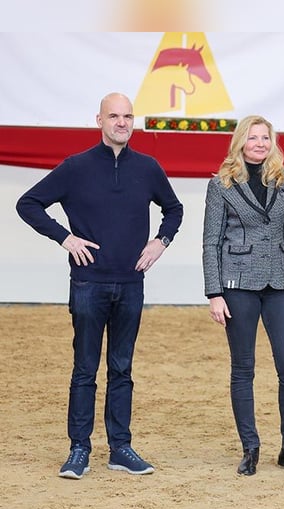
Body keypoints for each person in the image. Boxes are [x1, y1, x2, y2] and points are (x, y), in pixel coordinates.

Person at [16, 92, 183, 480]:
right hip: (88, 284)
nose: (121, 122)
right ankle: (79, 450)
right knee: (85, 370)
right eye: (114, 116)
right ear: (99, 120)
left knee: (122, 369)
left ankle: (120, 448)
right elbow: (28, 203)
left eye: (127, 116)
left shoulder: (148, 167)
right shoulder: (75, 168)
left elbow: (174, 209)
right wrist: (65, 238)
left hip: (131, 283)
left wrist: (161, 241)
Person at [202, 115, 284, 477]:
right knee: (243, 368)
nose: (259, 143)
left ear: (273, 142)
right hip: (237, 286)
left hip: (282, 283)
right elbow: (210, 241)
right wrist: (214, 293)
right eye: (252, 138)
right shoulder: (221, 185)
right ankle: (250, 448)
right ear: (240, 142)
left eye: (265, 138)